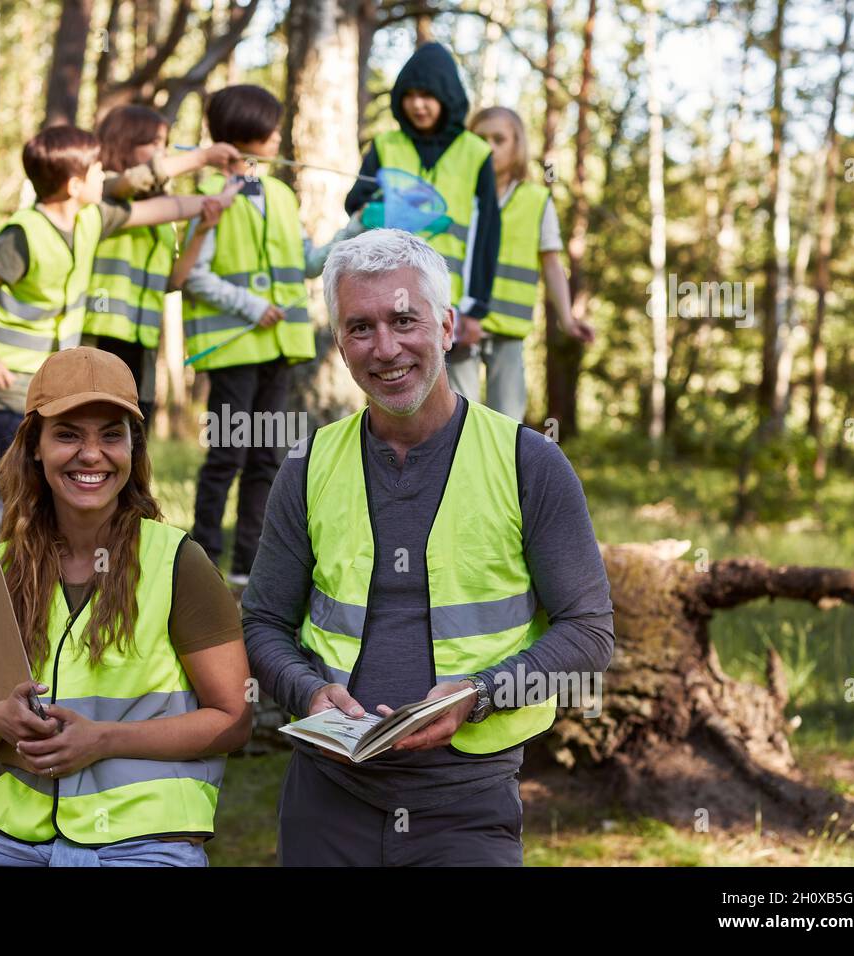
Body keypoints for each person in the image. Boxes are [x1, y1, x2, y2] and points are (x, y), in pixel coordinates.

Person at [241, 229, 614, 866]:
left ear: (446, 327)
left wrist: (480, 693)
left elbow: (589, 632)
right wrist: (306, 691)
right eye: (360, 328)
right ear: (339, 345)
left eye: (404, 320)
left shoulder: (531, 463)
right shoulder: (307, 467)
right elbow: (264, 621)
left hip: (467, 805)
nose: (385, 349)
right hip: (326, 796)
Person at [0, 347, 252, 866]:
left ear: (133, 448)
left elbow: (234, 719)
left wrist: (104, 740)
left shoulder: (178, 562)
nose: (92, 454)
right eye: (68, 434)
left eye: (111, 434)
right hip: (11, 842)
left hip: (147, 843)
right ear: (35, 448)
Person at [0, 124, 239, 547]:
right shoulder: (25, 232)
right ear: (74, 184)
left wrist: (215, 201)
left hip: (35, 382)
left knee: (36, 490)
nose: (105, 175)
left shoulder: (92, 218)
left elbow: (164, 208)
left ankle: (29, 581)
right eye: (98, 169)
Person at [182, 84, 355, 587]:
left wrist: (354, 227)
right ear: (244, 131)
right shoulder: (209, 195)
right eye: (270, 126)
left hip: (279, 352)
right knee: (227, 456)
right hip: (233, 349)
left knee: (266, 456)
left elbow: (303, 262)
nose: (279, 133)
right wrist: (252, 306)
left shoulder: (280, 194)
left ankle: (247, 566)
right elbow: (194, 274)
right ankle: (205, 561)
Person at [344, 41, 501, 388]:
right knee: (394, 392)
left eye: (427, 95)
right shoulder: (386, 146)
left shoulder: (475, 153)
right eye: (410, 95)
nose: (417, 104)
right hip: (388, 301)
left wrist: (475, 310)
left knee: (460, 401)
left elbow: (487, 235)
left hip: (451, 303)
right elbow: (356, 204)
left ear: (446, 97)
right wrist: (374, 209)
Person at [85, 106, 241, 431]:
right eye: (154, 143)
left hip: (142, 339)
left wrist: (200, 231)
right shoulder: (104, 189)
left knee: (134, 433)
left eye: (165, 143)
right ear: (124, 143)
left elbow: (174, 279)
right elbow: (134, 180)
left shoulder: (163, 219)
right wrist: (201, 157)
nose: (162, 152)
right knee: (97, 426)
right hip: (100, 335)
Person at [449, 106, 596, 421]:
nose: (488, 147)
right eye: (479, 138)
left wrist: (568, 319)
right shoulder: (457, 196)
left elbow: (552, 264)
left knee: (506, 427)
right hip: (460, 329)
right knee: (457, 427)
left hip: (508, 333)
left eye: (498, 139)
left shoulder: (536, 200)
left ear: (517, 145)